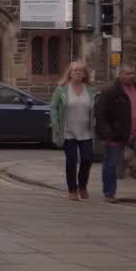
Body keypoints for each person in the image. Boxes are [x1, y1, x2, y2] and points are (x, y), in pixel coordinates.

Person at [96, 64, 136, 203]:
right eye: (128, 74)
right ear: (121, 75)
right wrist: (106, 133)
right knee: (112, 163)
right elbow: (100, 114)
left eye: (133, 73)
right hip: (116, 134)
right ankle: (109, 192)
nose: (132, 76)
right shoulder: (110, 91)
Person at [50, 61, 97, 201]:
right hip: (68, 131)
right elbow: (53, 107)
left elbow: (96, 108)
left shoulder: (91, 90)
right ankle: (72, 189)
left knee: (87, 159)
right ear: (70, 73)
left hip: (86, 131)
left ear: (84, 74)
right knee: (71, 160)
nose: (78, 73)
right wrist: (56, 124)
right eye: (75, 70)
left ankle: (82, 186)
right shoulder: (62, 89)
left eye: (81, 71)